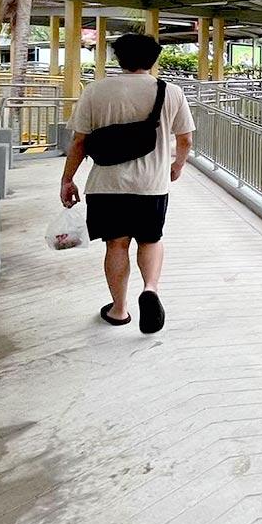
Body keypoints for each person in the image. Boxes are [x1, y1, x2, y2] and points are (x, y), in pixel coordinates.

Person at [59, 33, 194, 333]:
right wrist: (177, 165)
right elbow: (185, 139)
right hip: (151, 186)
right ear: (154, 59)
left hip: (107, 186)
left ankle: (119, 310)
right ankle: (150, 289)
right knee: (151, 240)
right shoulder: (170, 92)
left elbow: (79, 142)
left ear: (117, 59)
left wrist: (68, 179)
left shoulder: (95, 91)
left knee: (116, 245)